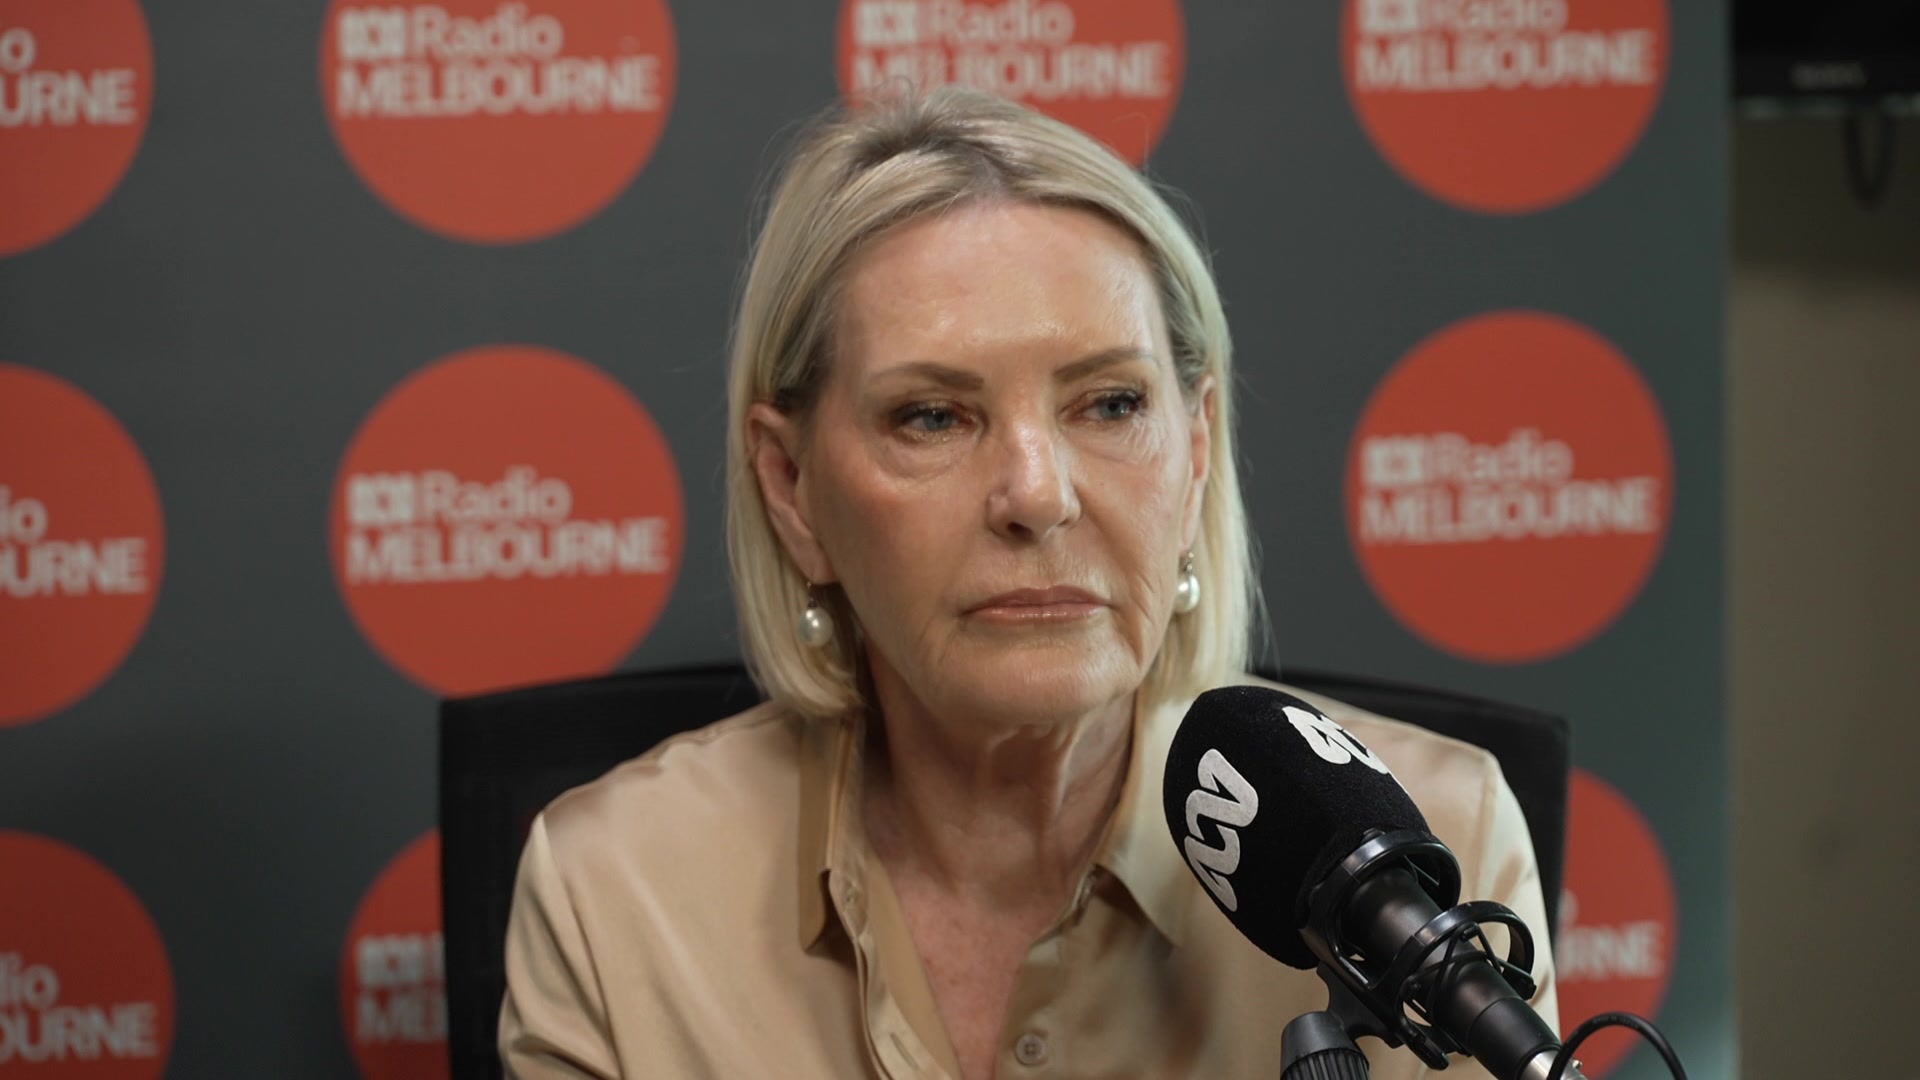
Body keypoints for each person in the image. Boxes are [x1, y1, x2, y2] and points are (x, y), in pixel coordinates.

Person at [498, 86, 1557, 1079]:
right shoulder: (614, 891)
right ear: (792, 489)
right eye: (932, 416)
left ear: (1194, 455)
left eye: (1107, 405)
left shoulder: (1438, 842)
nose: (1036, 495)